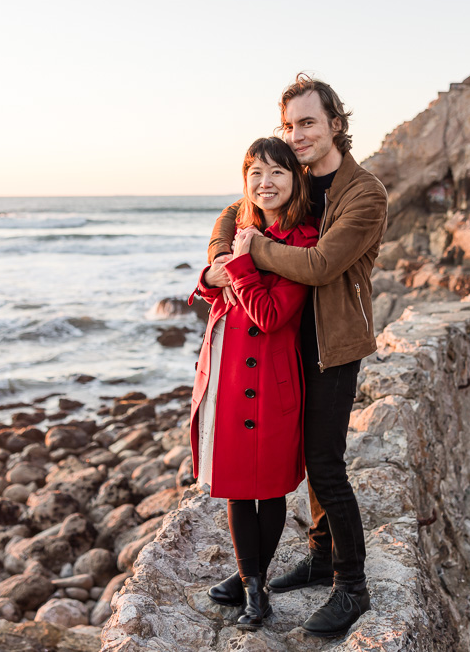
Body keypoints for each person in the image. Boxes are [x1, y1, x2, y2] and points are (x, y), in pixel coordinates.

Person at [205, 73, 388, 638]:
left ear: (336, 123)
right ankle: (309, 558)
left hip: (332, 346)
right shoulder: (296, 173)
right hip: (281, 340)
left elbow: (319, 266)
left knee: (326, 465)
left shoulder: (364, 192)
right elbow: (234, 212)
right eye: (290, 125)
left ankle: (351, 586)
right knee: (295, 458)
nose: (298, 134)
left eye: (308, 123)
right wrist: (219, 256)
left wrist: (253, 250)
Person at [188, 137, 319, 630]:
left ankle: (254, 585)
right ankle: (251, 584)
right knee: (237, 488)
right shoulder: (241, 228)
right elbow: (211, 287)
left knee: (270, 489)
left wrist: (241, 267)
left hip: (272, 379)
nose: (266, 184)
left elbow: (267, 315)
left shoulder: (305, 240)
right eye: (256, 174)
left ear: (294, 179)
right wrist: (210, 275)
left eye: (277, 173)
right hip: (228, 373)